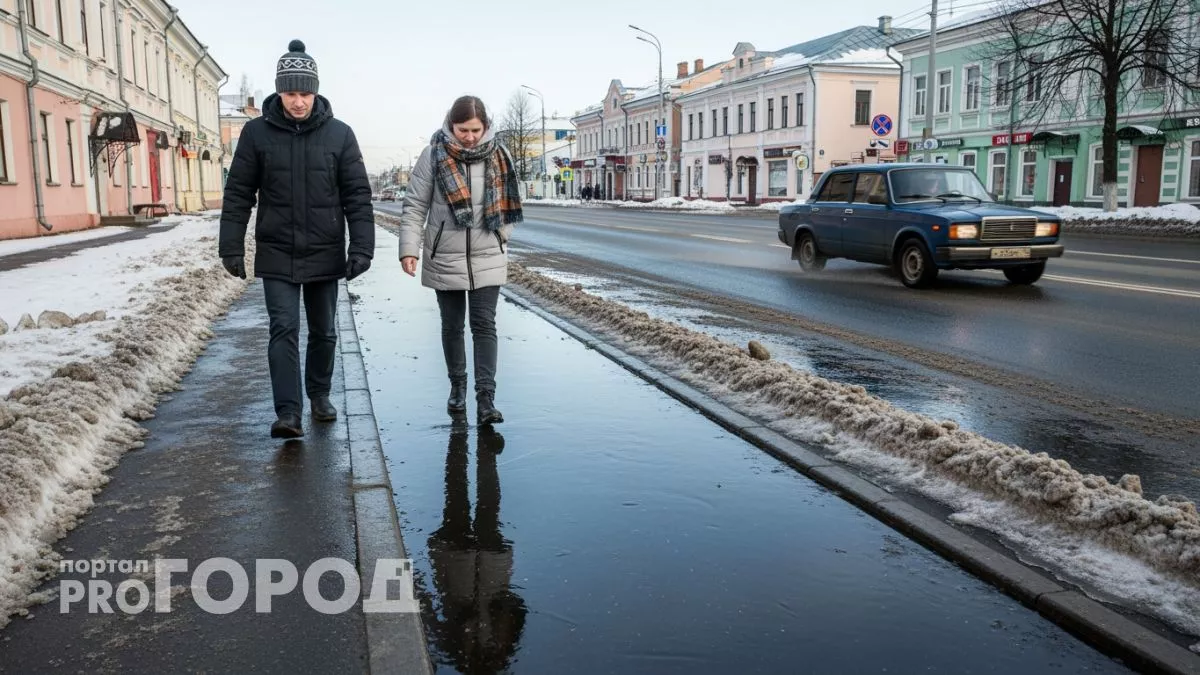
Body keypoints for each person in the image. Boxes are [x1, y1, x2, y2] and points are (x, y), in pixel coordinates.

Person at [218, 39, 374, 439]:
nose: (299, 101)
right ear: (279, 91)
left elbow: (357, 195)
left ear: (316, 91)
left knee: (324, 331)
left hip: (324, 249)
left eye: (306, 93)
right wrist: (231, 246)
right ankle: (288, 412)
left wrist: (362, 247)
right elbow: (238, 193)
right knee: (283, 329)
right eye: (291, 93)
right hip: (277, 249)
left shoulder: (340, 135)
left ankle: (320, 395)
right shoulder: (255, 134)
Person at [399, 95, 522, 426]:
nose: (469, 137)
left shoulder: (499, 153)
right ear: (450, 126)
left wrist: (502, 235)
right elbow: (414, 206)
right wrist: (409, 249)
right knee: (452, 325)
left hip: (487, 253)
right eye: (462, 130)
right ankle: (457, 388)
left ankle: (486, 400)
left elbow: (512, 195)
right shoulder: (432, 155)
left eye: (475, 130)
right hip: (445, 254)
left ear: (485, 126)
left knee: (484, 324)